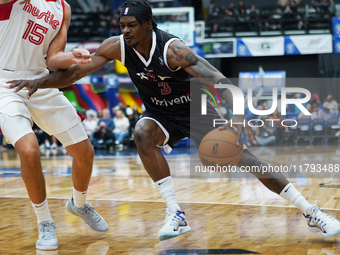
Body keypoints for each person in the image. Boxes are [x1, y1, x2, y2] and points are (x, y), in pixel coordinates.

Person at [8, 0, 340, 242]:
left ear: (148, 25)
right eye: (121, 26)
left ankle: (312, 211)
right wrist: (39, 81)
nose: (125, 32)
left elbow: (217, 78)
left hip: (197, 110)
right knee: (142, 133)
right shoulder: (117, 47)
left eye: (131, 26)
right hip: (161, 113)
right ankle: (176, 214)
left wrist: (240, 118)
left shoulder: (174, 50)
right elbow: (76, 71)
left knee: (248, 161)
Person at [0, 0, 108, 250]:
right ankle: (44, 221)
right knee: (29, 150)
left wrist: (72, 56)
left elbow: (53, 60)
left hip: (41, 82)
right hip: (5, 83)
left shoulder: (62, 7)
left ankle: (79, 204)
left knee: (85, 153)